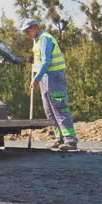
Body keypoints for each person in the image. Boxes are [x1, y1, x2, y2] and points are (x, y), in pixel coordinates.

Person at [23, 18, 77, 151]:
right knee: (50, 110)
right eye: (25, 32)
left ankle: (70, 141)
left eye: (27, 30)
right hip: (45, 79)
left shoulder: (45, 38)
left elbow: (46, 62)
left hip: (54, 77)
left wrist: (36, 78)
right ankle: (59, 139)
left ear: (35, 27)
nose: (26, 33)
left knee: (59, 107)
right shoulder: (37, 41)